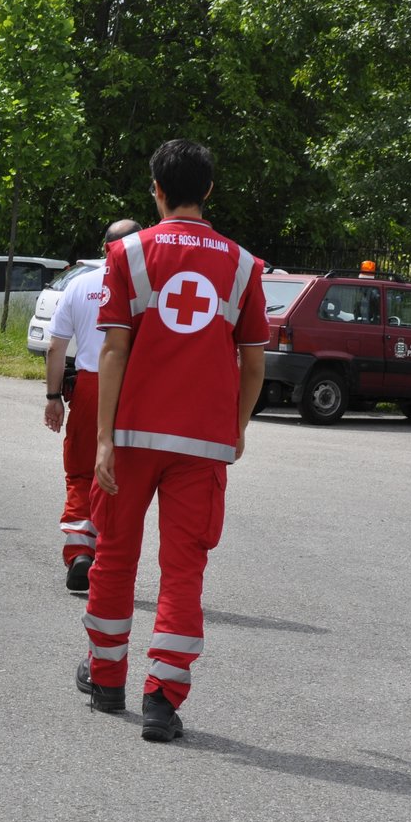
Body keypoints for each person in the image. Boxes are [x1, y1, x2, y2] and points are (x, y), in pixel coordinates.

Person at [76, 139, 267, 742]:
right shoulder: (243, 265)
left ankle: (107, 680)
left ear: (155, 190)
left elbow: (113, 349)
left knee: (114, 555)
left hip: (132, 437)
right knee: (184, 571)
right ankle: (162, 699)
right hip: (202, 444)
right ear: (208, 191)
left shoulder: (127, 253)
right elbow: (254, 362)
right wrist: (235, 427)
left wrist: (102, 439)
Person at [43, 219, 141, 592]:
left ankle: (81, 551)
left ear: (105, 248)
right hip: (134, 388)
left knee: (82, 471)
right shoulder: (147, 287)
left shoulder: (80, 284)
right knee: (127, 477)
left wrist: (54, 398)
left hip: (90, 385)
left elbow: (56, 347)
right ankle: (113, 559)